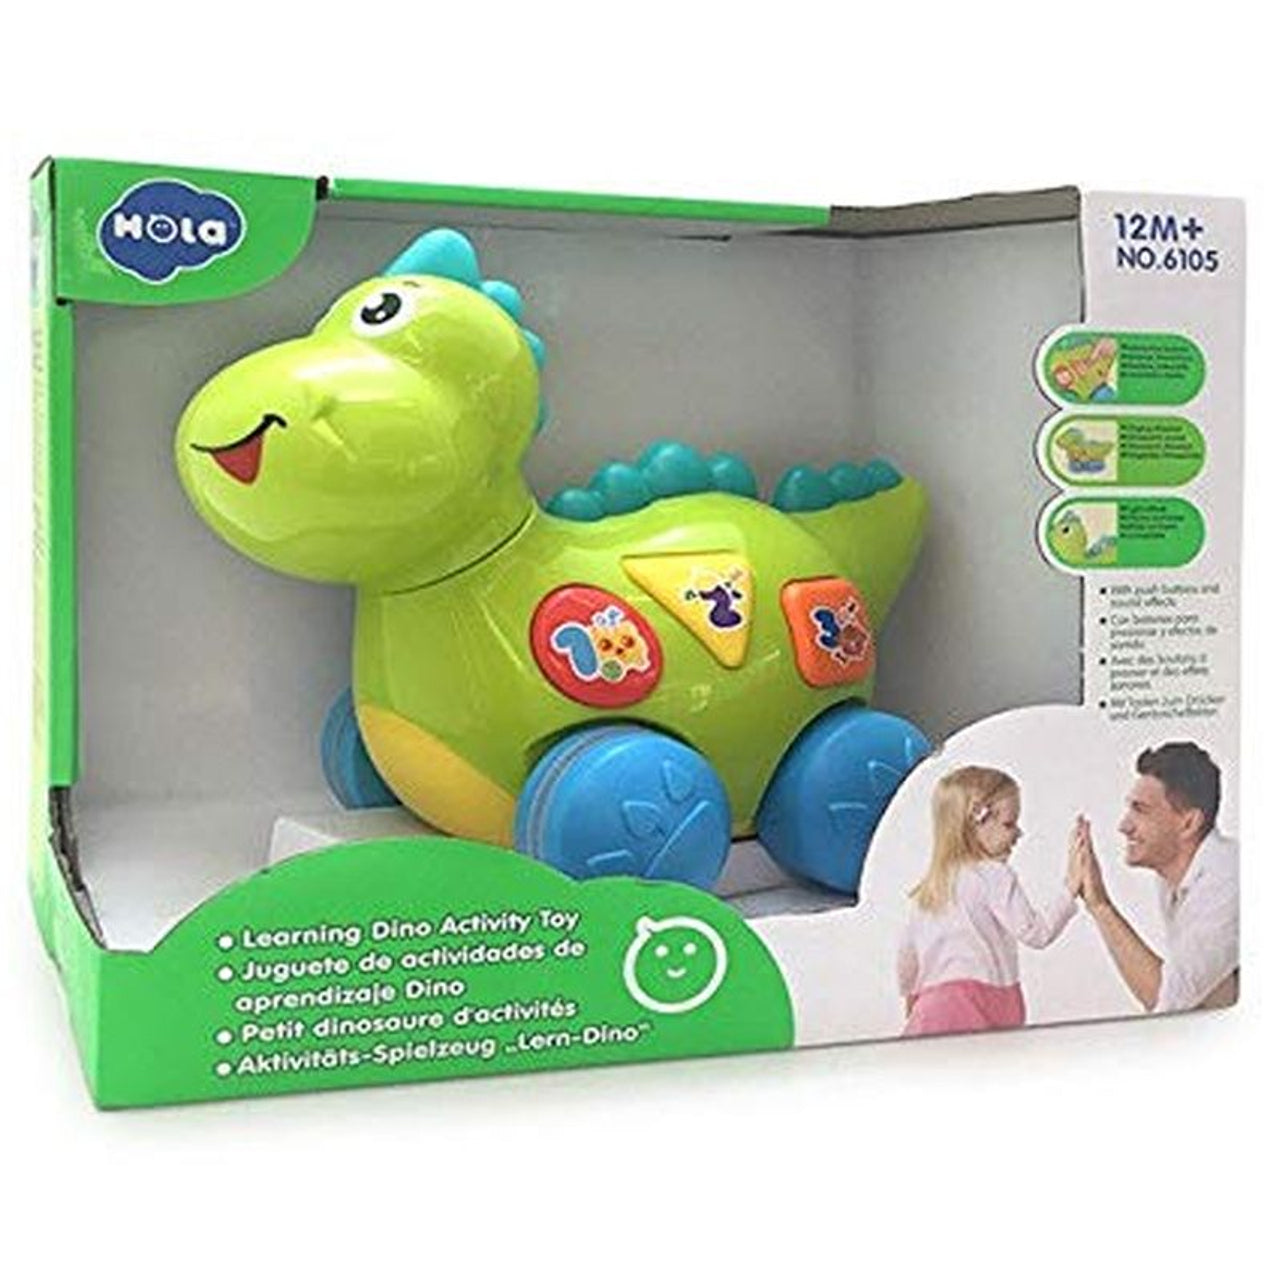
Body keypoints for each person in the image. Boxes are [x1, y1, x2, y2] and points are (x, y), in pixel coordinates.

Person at [898, 766, 1080, 1036]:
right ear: (974, 823)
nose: (1018, 833)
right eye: (1009, 824)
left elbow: (907, 958)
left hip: (933, 1006)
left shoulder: (929, 889)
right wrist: (1070, 888)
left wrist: (913, 1002)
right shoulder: (994, 875)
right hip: (982, 1002)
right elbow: (1036, 933)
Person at [1074, 742, 1238, 1012]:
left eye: (1140, 810)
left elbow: (1169, 1001)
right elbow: (1204, 992)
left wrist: (1100, 905)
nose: (1124, 826)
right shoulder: (1173, 876)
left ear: (1189, 823)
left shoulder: (1228, 880)